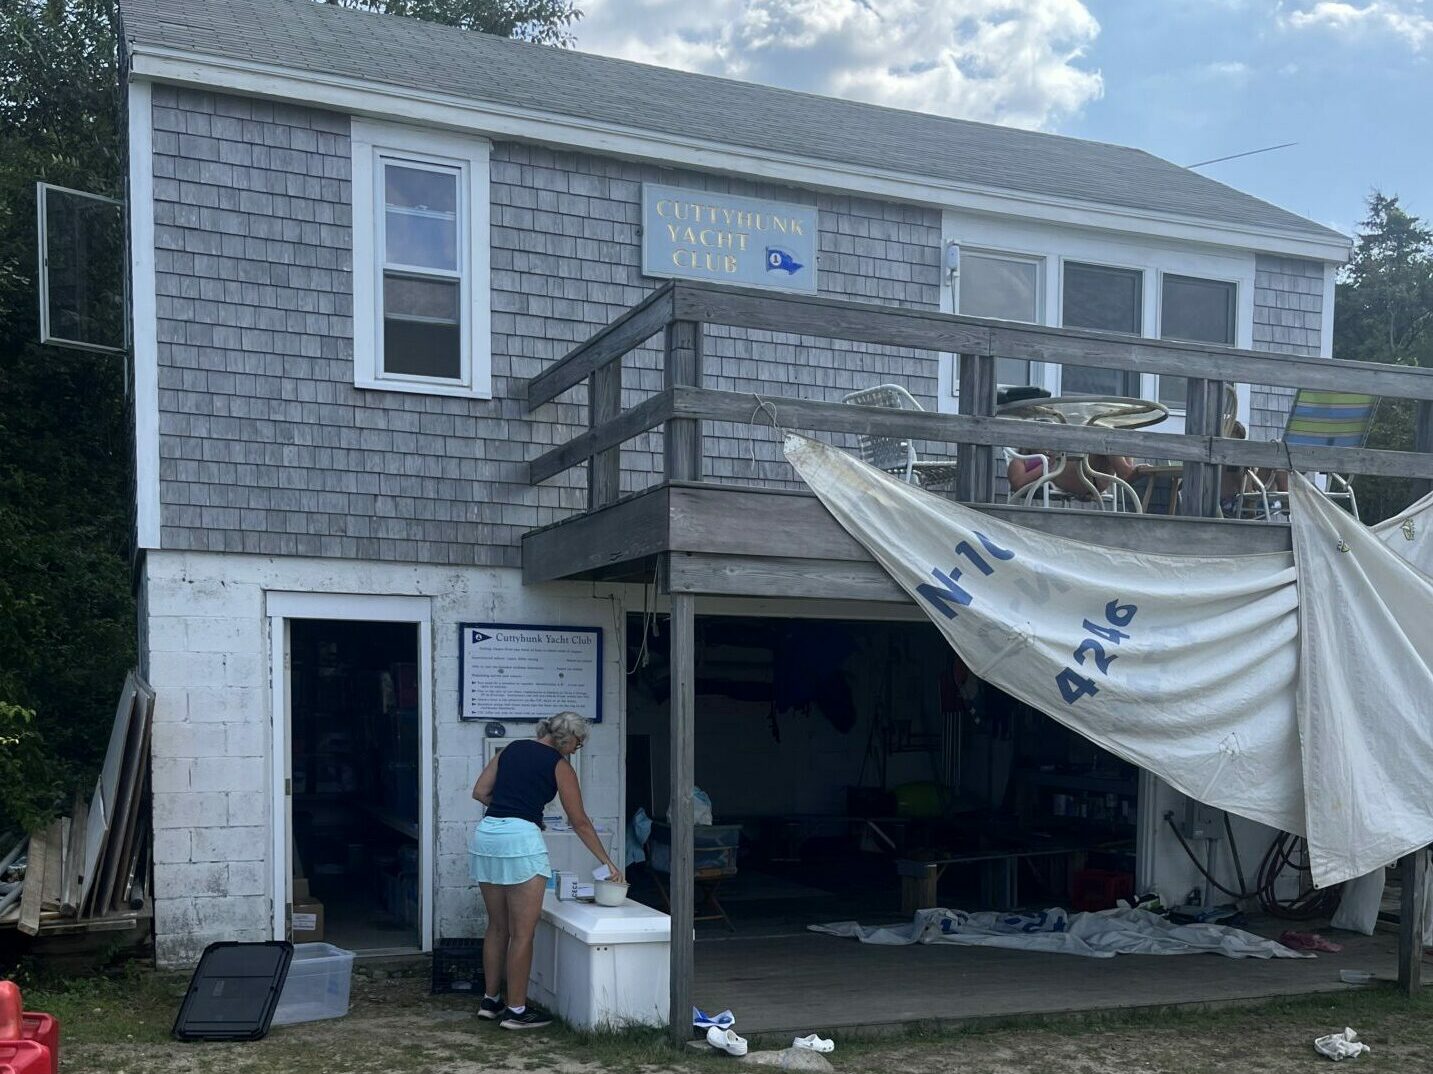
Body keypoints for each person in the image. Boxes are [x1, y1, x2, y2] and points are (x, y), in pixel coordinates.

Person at [469, 711, 622, 1030]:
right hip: (521, 840)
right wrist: (607, 861)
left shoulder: (510, 749)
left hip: (487, 835)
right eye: (580, 741)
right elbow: (578, 821)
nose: (579, 748)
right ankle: (516, 1012)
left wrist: (510, 804)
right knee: (523, 932)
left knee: (497, 926)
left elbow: (480, 792)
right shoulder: (559, 765)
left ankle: (490, 1001)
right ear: (567, 738)